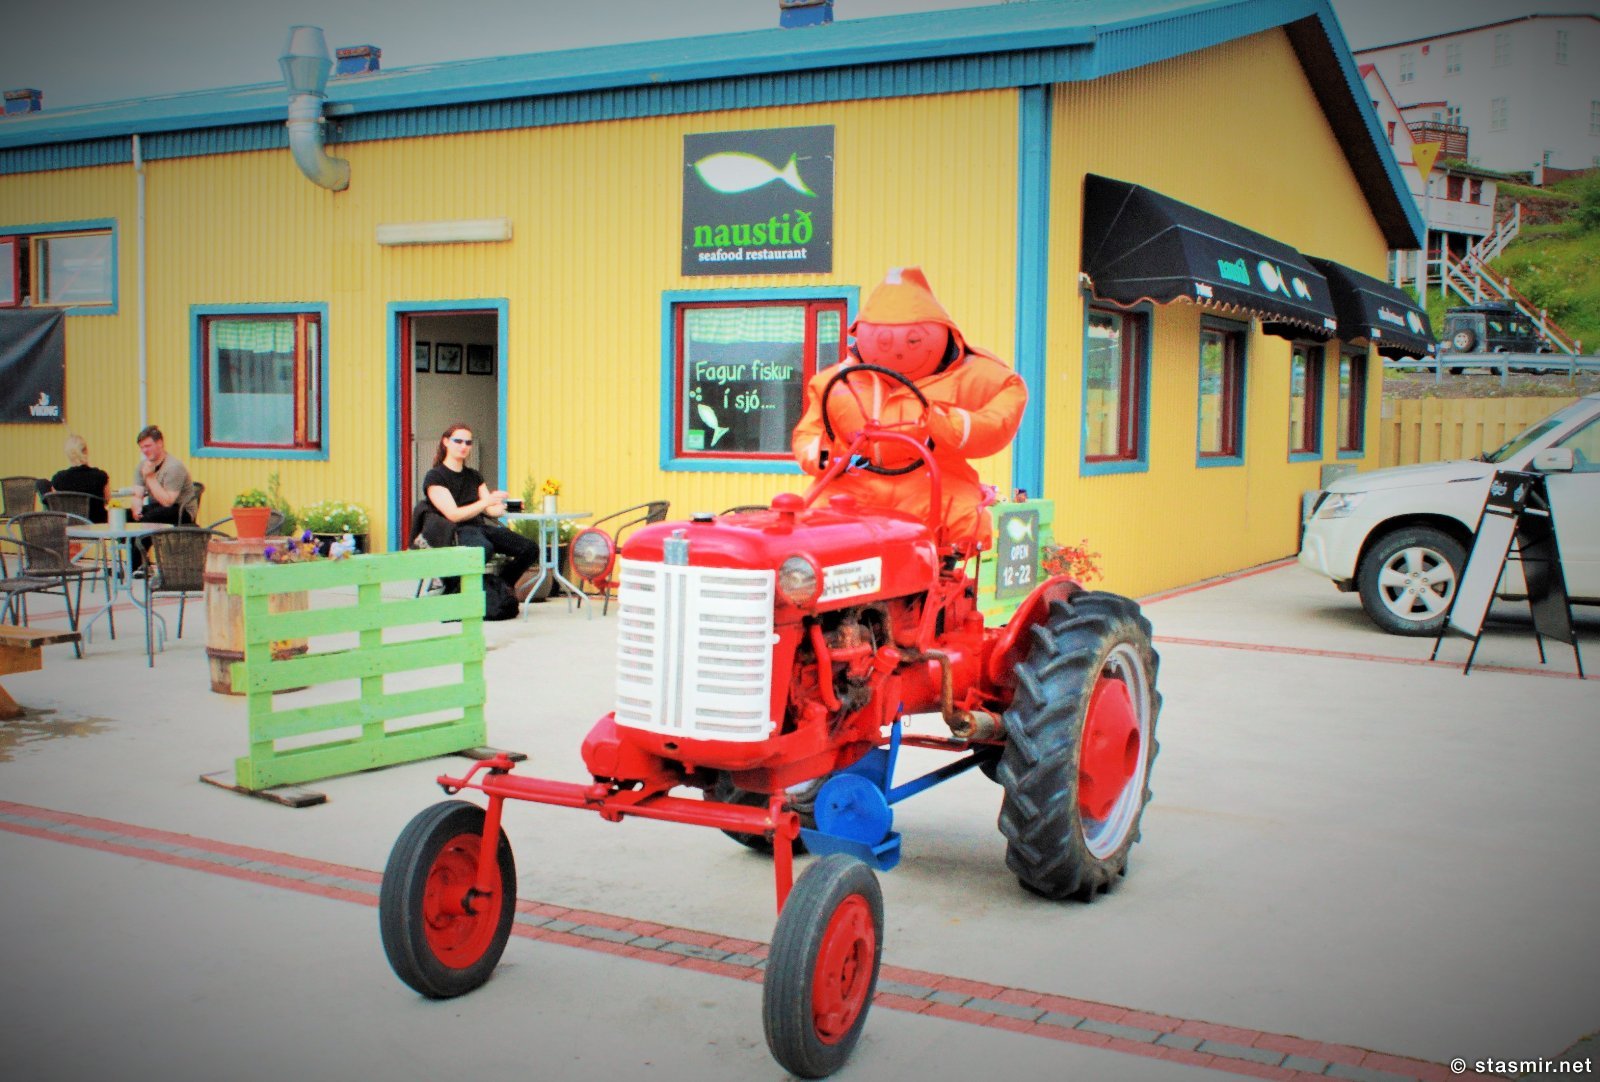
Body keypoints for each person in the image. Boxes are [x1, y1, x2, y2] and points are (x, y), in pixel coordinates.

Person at [791, 266, 1027, 551]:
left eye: (913, 341)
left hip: (934, 480)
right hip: (855, 483)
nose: (899, 351)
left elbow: (1006, 403)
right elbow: (809, 435)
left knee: (967, 524)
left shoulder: (970, 375)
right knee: (806, 528)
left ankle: (946, 576)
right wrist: (826, 457)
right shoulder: (836, 383)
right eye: (884, 342)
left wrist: (951, 425)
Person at [421, 423, 537, 596]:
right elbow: (453, 515)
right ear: (445, 442)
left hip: (479, 528)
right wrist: (485, 503)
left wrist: (503, 505)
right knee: (483, 549)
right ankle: (454, 589)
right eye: (458, 441)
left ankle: (501, 586)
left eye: (468, 443)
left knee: (529, 548)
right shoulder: (435, 476)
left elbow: (490, 510)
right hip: (455, 531)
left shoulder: (474, 476)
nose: (463, 446)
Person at [130, 424, 197, 526]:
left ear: (160, 443)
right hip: (158, 507)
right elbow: (137, 495)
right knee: (126, 516)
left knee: (150, 518)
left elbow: (167, 502)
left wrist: (150, 477)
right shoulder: (142, 466)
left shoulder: (174, 467)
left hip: (181, 510)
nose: (144, 451)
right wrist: (136, 510)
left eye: (147, 446)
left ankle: (140, 536)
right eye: (142, 447)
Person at [49, 434, 111, 523]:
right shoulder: (101, 476)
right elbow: (108, 500)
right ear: (86, 451)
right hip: (96, 527)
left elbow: (55, 505)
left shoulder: (58, 479)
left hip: (69, 528)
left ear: (68, 454)